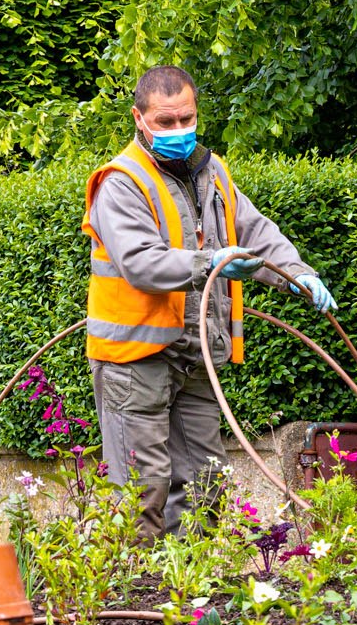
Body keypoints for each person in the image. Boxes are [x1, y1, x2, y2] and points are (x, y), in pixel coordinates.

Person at [85, 64, 336, 538]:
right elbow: (141, 262)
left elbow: (254, 231)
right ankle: (135, 602)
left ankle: (194, 598)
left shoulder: (211, 171)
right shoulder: (121, 183)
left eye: (186, 119)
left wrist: (297, 275)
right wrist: (211, 262)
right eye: (165, 122)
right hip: (134, 359)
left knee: (206, 483)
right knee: (143, 491)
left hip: (193, 353)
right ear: (140, 119)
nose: (178, 130)